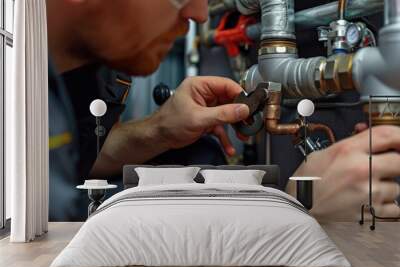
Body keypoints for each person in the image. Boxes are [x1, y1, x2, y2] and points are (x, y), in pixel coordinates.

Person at [47, 0, 399, 222]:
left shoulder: (81, 73)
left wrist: (160, 129)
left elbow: (71, 158)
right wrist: (297, 213)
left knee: (198, 152)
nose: (200, 13)